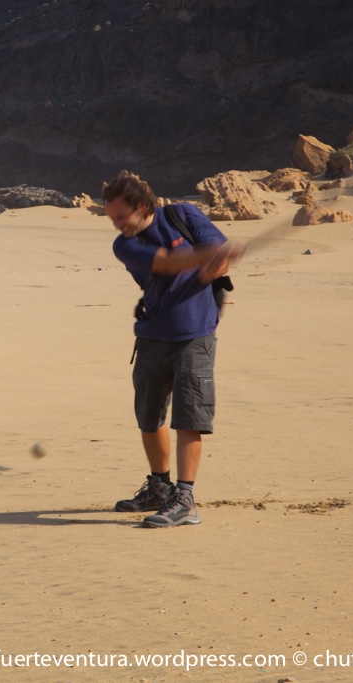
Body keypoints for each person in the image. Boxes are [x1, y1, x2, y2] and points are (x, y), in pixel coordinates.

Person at [102, 171, 241, 528]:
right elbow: (167, 262)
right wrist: (204, 258)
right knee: (149, 419)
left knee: (189, 419)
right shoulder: (124, 246)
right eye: (112, 218)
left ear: (142, 206)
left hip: (195, 333)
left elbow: (218, 259)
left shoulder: (183, 214)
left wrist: (218, 263)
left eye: (121, 216)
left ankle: (184, 499)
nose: (117, 224)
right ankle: (159, 488)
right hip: (152, 335)